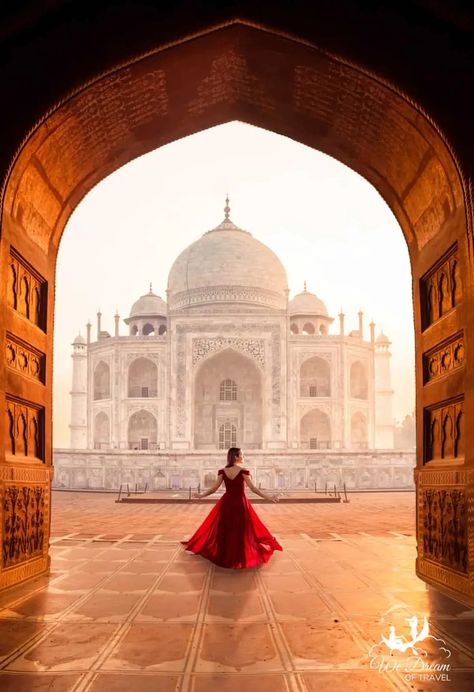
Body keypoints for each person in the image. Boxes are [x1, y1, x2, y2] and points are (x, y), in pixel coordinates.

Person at [181, 447, 283, 568]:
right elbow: (254, 489)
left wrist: (200, 495)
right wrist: (269, 497)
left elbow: (213, 489)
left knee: (226, 528)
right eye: (242, 455)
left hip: (226, 503)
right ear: (236, 457)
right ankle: (239, 555)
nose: (243, 457)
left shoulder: (222, 471)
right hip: (240, 503)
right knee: (241, 529)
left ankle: (224, 554)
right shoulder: (244, 471)